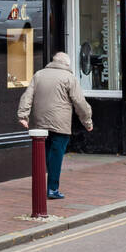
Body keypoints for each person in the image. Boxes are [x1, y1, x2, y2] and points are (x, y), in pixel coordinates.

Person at [17, 51, 93, 199]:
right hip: (60, 124)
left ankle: (42, 186)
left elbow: (27, 96)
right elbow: (80, 102)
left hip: (40, 123)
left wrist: (23, 115)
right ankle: (52, 189)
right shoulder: (69, 78)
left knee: (45, 155)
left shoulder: (38, 75)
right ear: (66, 64)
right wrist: (87, 121)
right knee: (56, 156)